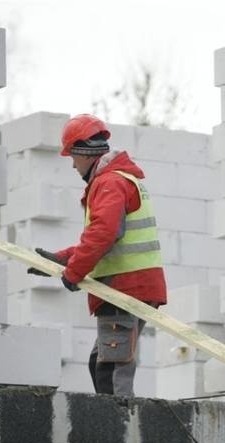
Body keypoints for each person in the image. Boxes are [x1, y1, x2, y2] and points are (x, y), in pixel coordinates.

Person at [28, 114, 167, 397]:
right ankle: (117, 427)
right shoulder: (115, 179)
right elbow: (105, 235)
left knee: (112, 370)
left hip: (125, 290)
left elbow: (104, 232)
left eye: (72, 156)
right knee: (99, 363)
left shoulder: (109, 182)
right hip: (128, 288)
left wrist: (74, 271)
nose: (72, 163)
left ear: (84, 153)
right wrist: (62, 260)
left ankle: (121, 432)